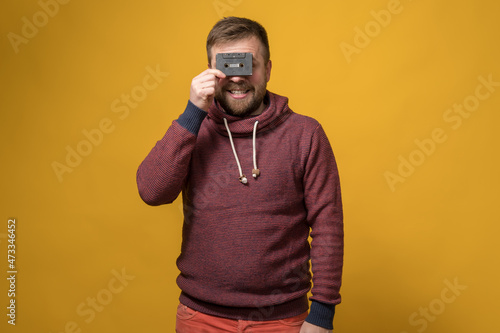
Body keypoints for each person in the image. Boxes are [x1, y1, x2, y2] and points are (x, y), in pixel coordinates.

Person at [136, 16, 344, 333]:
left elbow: (328, 226)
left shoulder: (305, 134)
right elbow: (151, 192)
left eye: (248, 64)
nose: (237, 79)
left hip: (282, 319)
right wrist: (193, 111)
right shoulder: (193, 131)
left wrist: (322, 316)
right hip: (200, 317)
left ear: (269, 69)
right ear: (209, 71)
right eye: (227, 67)